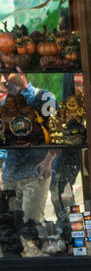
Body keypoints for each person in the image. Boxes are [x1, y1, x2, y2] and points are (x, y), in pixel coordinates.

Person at [1, 70, 56, 256]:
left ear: (22, 73)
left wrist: (49, 160)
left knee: (30, 228)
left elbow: (58, 134)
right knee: (10, 230)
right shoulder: (4, 103)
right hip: (11, 174)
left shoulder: (43, 98)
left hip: (34, 173)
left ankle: (33, 268)